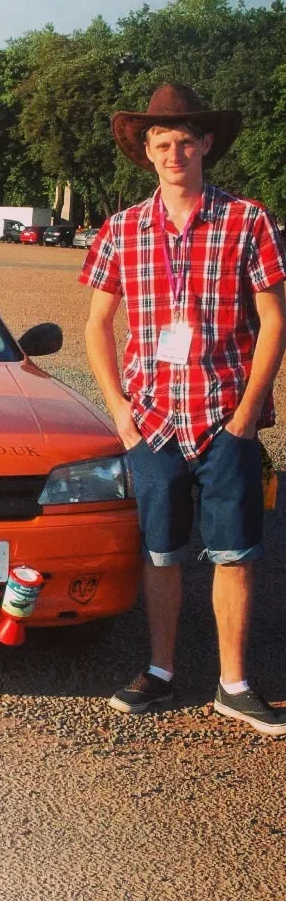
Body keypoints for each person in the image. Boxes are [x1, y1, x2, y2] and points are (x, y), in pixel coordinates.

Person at [81, 82, 286, 736]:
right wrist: (120, 412)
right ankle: (161, 671)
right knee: (162, 553)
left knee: (235, 553)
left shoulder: (247, 221)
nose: (175, 153)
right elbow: (96, 325)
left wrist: (249, 412)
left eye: (186, 142)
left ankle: (234, 683)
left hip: (226, 413)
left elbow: (275, 319)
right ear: (147, 152)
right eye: (162, 143)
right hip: (154, 421)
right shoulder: (122, 229)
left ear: (206, 146)